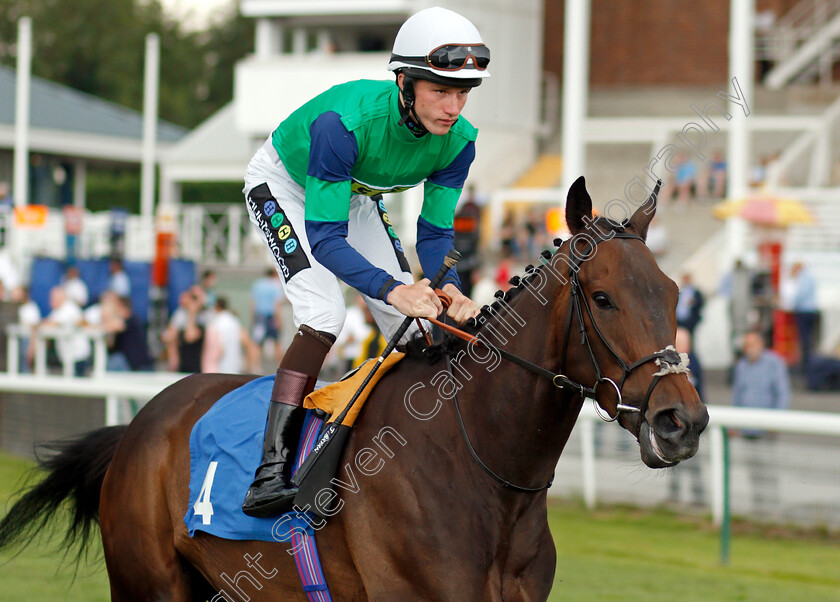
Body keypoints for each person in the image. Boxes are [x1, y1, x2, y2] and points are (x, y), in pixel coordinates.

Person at [240, 6, 486, 517]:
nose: (453, 107)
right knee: (325, 314)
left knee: (421, 329)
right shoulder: (343, 125)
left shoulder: (459, 142)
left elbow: (436, 234)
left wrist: (452, 290)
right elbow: (326, 239)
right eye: (441, 90)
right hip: (285, 187)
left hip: (352, 196)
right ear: (405, 83)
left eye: (462, 93)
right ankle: (270, 471)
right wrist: (394, 289)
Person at [731, 330, 791, 515]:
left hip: (766, 429)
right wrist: (734, 422)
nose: (750, 349)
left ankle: (772, 508)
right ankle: (758, 507)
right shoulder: (741, 366)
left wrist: (776, 421)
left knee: (768, 470)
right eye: (747, 346)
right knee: (754, 471)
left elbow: (783, 394)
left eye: (753, 345)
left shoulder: (775, 363)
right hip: (747, 429)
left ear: (761, 344)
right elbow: (738, 396)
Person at [668, 327, 705, 506]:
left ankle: (698, 496)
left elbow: (701, 393)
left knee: (694, 462)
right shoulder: (668, 365)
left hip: (690, 423)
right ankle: (674, 495)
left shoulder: (695, 364)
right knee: (673, 460)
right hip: (674, 422)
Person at [40, 286, 91, 376]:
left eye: (54, 298)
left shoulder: (69, 308)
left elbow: (53, 324)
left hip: (78, 356)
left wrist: (36, 325)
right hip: (68, 357)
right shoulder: (57, 311)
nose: (51, 300)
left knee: (77, 385)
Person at [202, 297, 260, 374]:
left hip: (218, 371)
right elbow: (249, 345)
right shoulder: (234, 322)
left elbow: (216, 351)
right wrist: (247, 368)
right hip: (234, 371)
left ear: (216, 307)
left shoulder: (215, 323)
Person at [780, 262, 819, 372]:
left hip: (804, 311)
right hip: (810, 310)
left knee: (804, 339)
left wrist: (788, 302)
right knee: (807, 339)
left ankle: (806, 365)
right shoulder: (809, 277)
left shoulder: (804, 278)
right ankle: (807, 362)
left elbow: (800, 294)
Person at [103, 296, 154, 372]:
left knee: (113, 362)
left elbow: (116, 326)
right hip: (132, 364)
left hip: (139, 366)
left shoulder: (131, 319)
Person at [250, 268, 286, 364]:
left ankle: (255, 368)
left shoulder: (257, 285)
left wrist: (253, 318)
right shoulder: (275, 286)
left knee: (257, 343)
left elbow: (253, 303)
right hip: (271, 317)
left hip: (260, 317)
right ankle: (280, 367)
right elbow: (276, 305)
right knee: (277, 343)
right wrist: (279, 320)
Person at [676, 273, 705, 337]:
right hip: (680, 322)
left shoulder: (695, 292)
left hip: (692, 321)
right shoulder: (679, 292)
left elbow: (700, 303)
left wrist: (693, 303)